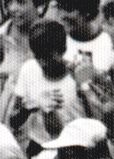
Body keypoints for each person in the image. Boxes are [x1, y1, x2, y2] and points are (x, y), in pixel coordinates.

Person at [9, 19, 86, 149]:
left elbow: (97, 123)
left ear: (62, 50)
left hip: (78, 149)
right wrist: (27, 109)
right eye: (38, 57)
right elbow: (13, 121)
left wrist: (82, 90)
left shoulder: (79, 76)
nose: (42, 63)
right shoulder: (28, 69)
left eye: (48, 57)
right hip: (40, 147)